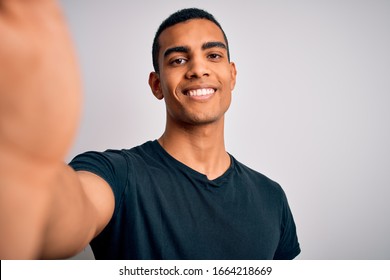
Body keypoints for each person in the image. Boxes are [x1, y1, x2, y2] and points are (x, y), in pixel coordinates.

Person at [0, 1, 300, 260]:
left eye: (213, 55)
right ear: (157, 85)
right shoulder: (117, 174)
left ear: (231, 75)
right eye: (179, 60)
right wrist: (29, 167)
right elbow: (68, 218)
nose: (198, 69)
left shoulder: (271, 197)